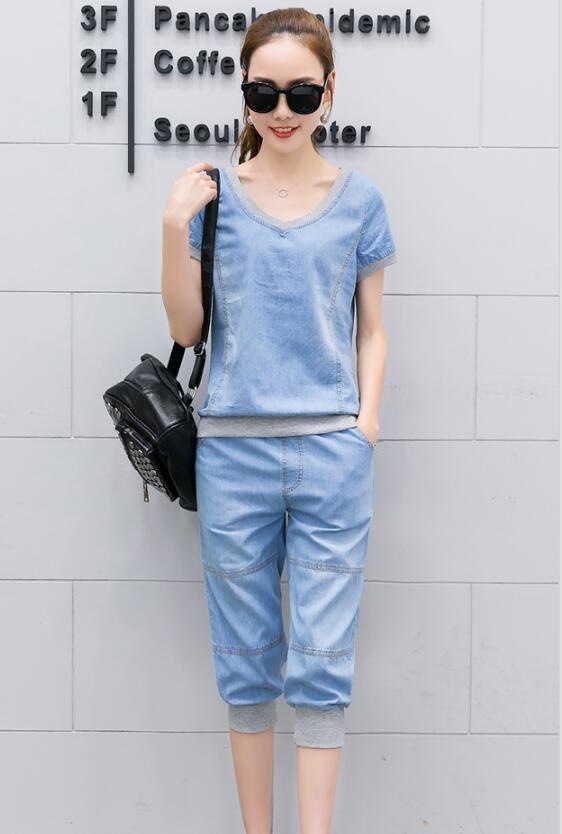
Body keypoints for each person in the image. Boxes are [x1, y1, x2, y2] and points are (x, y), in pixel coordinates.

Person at [161, 8, 397, 833]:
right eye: (264, 92)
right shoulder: (214, 198)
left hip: (333, 453)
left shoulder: (360, 201)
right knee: (246, 662)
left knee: (323, 666)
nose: (282, 109)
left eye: (301, 92)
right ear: (244, 91)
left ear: (329, 90)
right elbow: (187, 328)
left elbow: (373, 328)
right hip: (233, 454)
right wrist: (173, 226)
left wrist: (365, 424)